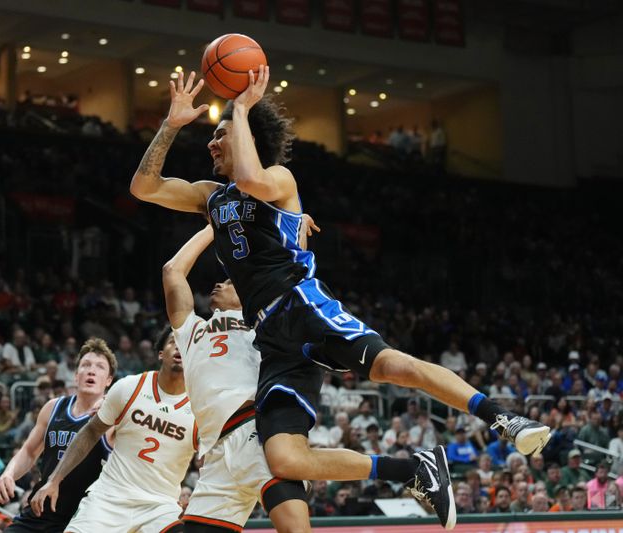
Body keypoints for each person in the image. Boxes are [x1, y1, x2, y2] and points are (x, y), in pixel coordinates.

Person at [129, 68, 551, 529]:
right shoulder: (211, 197)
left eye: (220, 134)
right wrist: (171, 124)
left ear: (247, 135)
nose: (211, 143)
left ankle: (503, 419)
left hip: (302, 304)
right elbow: (144, 188)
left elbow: (250, 177)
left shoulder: (279, 180)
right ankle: (414, 470)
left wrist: (243, 108)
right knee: (285, 458)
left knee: (393, 368)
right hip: (271, 338)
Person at [162, 225, 312, 531]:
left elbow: (294, 277)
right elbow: (172, 271)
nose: (219, 284)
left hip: (256, 432)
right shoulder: (191, 331)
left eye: (230, 281)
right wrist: (211, 226)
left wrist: (295, 224)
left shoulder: (264, 323)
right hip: (216, 452)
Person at [29, 330, 195, 533]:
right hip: (110, 497)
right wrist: (54, 480)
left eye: (188, 343)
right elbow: (90, 432)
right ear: (161, 353)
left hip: (159, 506)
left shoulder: (202, 408)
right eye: (173, 342)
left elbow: (212, 463)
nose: (179, 347)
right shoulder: (128, 387)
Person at [0, 339, 115, 533]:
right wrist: (9, 474)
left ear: (109, 380)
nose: (91, 370)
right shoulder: (53, 407)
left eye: (100, 367)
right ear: (76, 376)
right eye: (86, 365)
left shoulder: (114, 418)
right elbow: (30, 451)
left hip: (84, 518)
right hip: (43, 508)